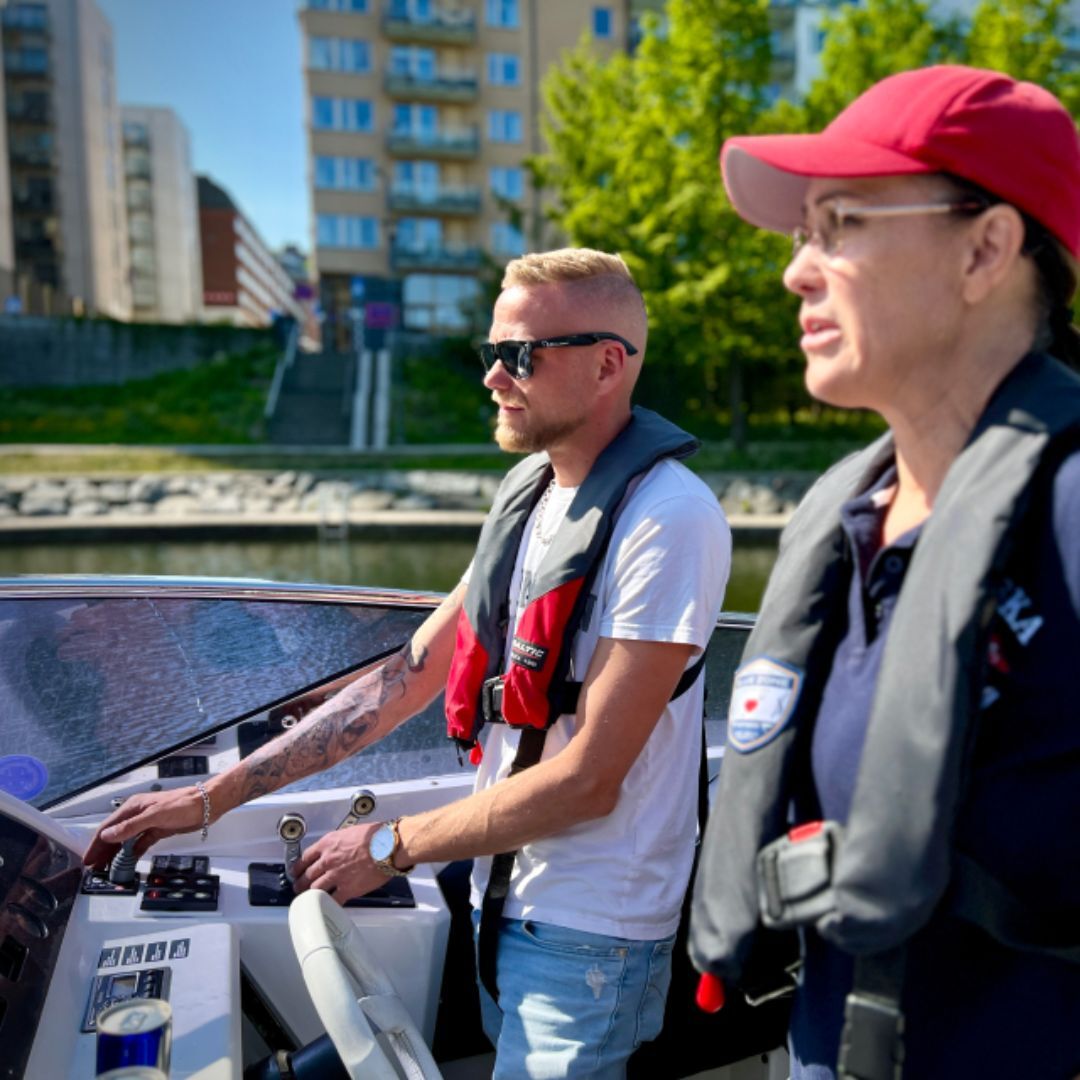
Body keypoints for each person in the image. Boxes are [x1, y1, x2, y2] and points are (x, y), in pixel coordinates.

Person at [87, 248, 731, 1079]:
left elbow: (588, 780)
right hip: (503, 899)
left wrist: (391, 844)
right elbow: (404, 680)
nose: (493, 377)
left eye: (520, 354)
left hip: (592, 934)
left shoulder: (668, 519)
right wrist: (211, 798)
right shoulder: (534, 496)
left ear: (609, 364)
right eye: (490, 351)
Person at [689, 65, 1080, 1080]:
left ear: (985, 250)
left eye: (841, 225)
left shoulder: (1070, 510)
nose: (796, 272)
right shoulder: (851, 518)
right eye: (801, 233)